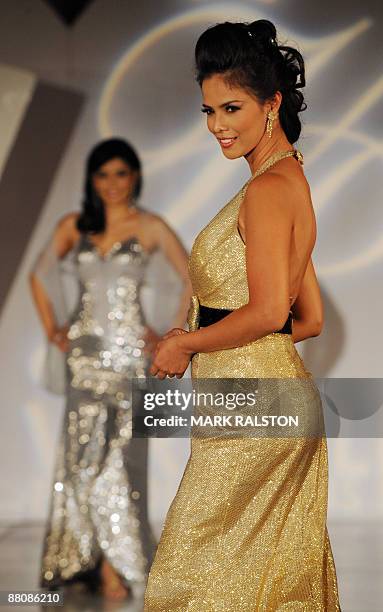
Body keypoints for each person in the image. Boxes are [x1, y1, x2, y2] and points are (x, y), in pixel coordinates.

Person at [144, 20, 341, 611]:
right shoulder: (289, 181)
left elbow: (267, 311)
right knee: (264, 589)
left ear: (272, 102)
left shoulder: (265, 192)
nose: (217, 126)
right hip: (268, 402)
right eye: (208, 111)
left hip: (252, 413)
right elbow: (307, 320)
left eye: (231, 108)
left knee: (190, 585)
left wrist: (186, 343)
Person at [30, 138, 192, 601]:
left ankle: (117, 567)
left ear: (135, 176)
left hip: (130, 359)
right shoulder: (76, 225)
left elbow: (191, 280)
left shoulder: (150, 226)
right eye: (103, 174)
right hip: (85, 356)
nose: (113, 184)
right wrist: (53, 330)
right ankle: (85, 560)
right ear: (92, 179)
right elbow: (39, 276)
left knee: (122, 458)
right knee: (81, 458)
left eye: (121, 173)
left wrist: (168, 334)